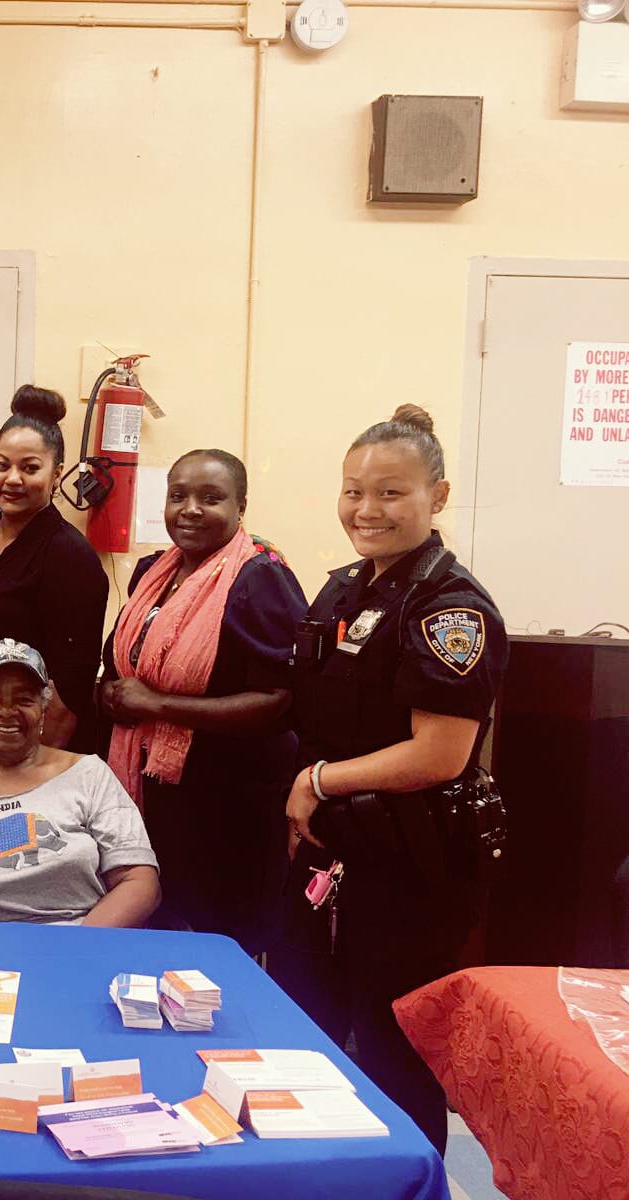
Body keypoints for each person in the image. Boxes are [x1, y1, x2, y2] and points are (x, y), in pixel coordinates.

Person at [269, 405, 509, 1156]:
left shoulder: (449, 608)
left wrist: (318, 780)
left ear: (437, 498)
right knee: (307, 1036)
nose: (365, 511)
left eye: (390, 493)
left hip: (410, 871)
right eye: (353, 491)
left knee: (392, 1054)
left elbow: (439, 753)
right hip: (332, 853)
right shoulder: (343, 589)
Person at [98, 448, 307, 951]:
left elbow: (280, 700)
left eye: (210, 498)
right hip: (151, 794)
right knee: (157, 934)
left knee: (216, 949)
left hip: (227, 809)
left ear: (241, 508)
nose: (190, 509)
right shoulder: (152, 571)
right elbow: (128, 663)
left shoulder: (260, 579)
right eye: (178, 496)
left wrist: (156, 705)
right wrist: (110, 692)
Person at [0, 640, 159, 926]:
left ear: (43, 709)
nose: (7, 711)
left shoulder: (88, 774)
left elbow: (139, 881)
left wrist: (75, 946)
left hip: (86, 942)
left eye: (24, 700)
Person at [0, 386, 109, 762]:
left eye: (30, 468)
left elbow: (70, 686)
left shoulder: (70, 555)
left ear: (56, 475)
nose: (12, 479)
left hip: (33, 749)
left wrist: (30, 771)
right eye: (2, 465)